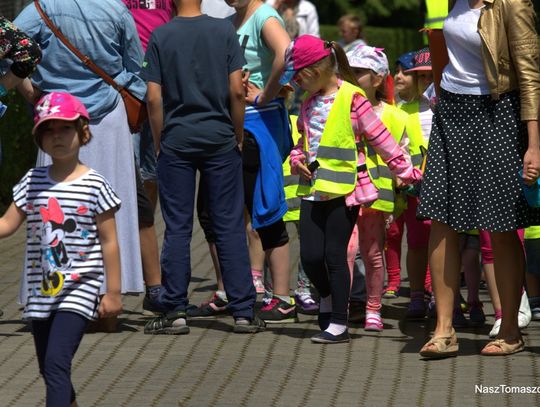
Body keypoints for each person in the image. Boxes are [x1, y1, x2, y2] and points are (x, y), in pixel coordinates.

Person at [418, 0, 540, 358]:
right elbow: (440, 48)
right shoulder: (452, 2)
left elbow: (531, 76)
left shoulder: (512, 4)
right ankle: (443, 330)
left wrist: (534, 144)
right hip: (451, 112)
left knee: (500, 224)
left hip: (498, 112)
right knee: (440, 217)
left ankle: (510, 331)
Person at [283, 35, 421, 343]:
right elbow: (301, 143)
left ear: (316, 69)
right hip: (314, 190)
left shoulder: (352, 98)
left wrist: (406, 172)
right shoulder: (308, 103)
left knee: (335, 255)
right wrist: (297, 158)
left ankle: (339, 323)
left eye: (298, 74)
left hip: (346, 191)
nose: (295, 82)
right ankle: (329, 298)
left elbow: (381, 138)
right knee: (310, 257)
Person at [14, 0, 146, 319]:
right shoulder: (115, 9)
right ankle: (110, 293)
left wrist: (31, 92)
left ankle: (56, 289)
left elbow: (9, 49)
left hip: (56, 119)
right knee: (112, 209)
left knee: (53, 207)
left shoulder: (40, 8)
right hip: (108, 116)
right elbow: (135, 66)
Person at [143, 0, 264, 334]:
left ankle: (175, 310)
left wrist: (158, 139)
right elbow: (236, 91)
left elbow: (153, 98)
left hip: (177, 141)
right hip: (220, 139)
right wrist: (237, 134)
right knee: (228, 224)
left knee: (178, 226)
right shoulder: (224, 31)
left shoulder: (160, 35)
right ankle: (242, 311)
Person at [0, 92, 122, 407]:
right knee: (48, 367)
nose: (57, 136)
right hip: (41, 290)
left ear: (82, 132)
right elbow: (7, 225)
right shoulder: (32, 180)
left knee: (56, 362)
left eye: (65, 128)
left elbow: (110, 241)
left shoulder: (95, 185)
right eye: (48, 130)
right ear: (39, 138)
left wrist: (113, 292)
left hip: (80, 288)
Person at [226, 0, 297, 324]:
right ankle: (254, 288)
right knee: (245, 212)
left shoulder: (263, 17)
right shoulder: (233, 19)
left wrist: (266, 93)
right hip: (242, 123)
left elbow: (287, 54)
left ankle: (283, 296)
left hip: (262, 122)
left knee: (267, 208)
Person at [345, 45, 417, 332]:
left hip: (376, 194)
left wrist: (405, 175)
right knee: (347, 251)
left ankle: (373, 307)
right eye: (348, 72)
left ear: (377, 79)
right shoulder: (340, 108)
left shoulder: (395, 116)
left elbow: (403, 151)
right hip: (345, 190)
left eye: (359, 73)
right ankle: (347, 304)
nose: (352, 78)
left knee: (373, 252)